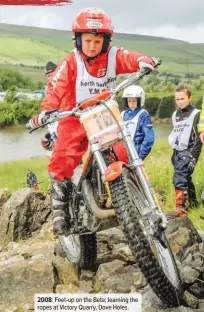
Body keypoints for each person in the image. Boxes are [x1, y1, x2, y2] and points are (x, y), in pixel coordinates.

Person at [28, 7, 159, 236]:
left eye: (98, 41)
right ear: (78, 40)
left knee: (123, 151)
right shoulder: (70, 62)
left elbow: (130, 58)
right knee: (62, 156)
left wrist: (144, 60)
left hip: (105, 112)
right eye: (87, 40)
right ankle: (59, 208)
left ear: (106, 40)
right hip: (75, 116)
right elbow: (54, 89)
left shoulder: (113, 55)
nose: (92, 46)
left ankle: (136, 195)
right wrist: (47, 111)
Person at [168, 85, 202, 218]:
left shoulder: (196, 114)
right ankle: (193, 204)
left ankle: (181, 210)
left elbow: (200, 138)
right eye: (177, 99)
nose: (180, 101)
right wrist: (173, 153)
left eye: (182, 98)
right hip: (177, 152)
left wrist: (194, 157)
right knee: (186, 179)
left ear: (190, 98)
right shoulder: (174, 115)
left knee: (179, 180)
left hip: (189, 151)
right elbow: (176, 135)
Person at [113, 85, 155, 162]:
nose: (131, 104)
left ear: (139, 101)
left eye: (134, 101)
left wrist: (140, 156)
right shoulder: (122, 114)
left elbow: (149, 139)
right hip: (122, 153)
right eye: (129, 101)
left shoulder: (143, 115)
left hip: (136, 153)